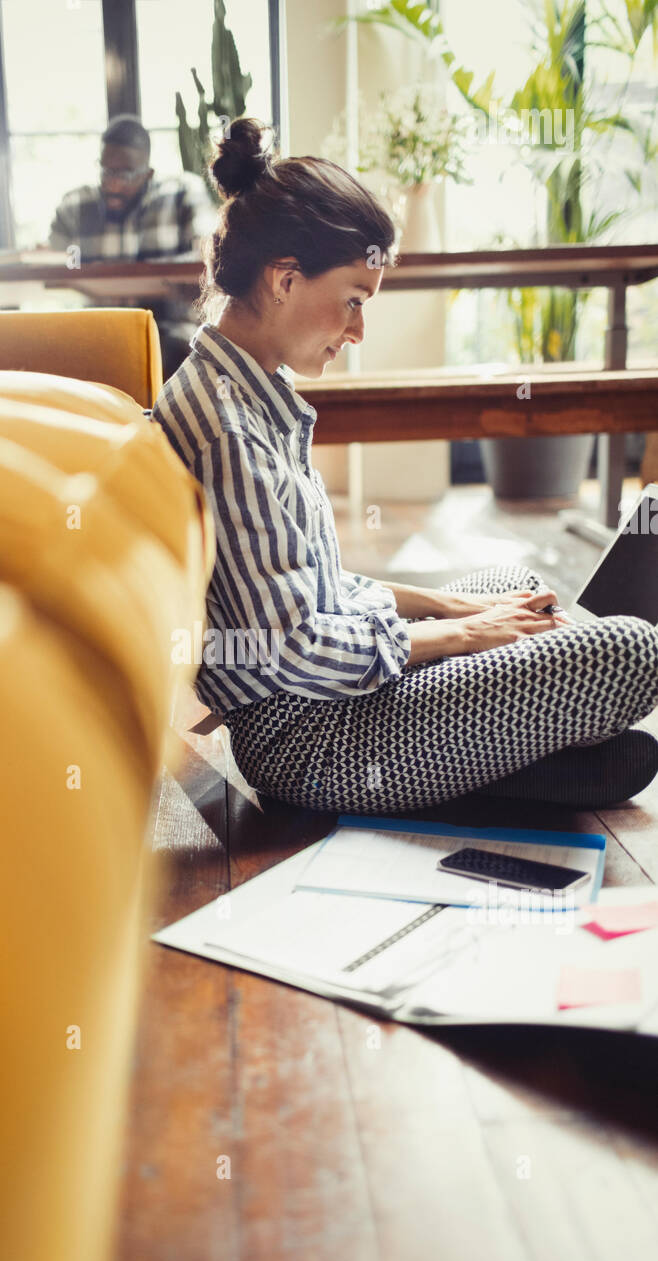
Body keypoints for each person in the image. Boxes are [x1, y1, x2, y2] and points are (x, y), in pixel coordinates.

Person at [150, 116, 658, 816]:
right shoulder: (230, 430)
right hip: (315, 742)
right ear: (285, 280)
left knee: (514, 587)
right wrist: (463, 635)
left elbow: (315, 590)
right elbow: (296, 647)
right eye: (354, 301)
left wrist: (463, 607)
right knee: (631, 651)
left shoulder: (242, 390)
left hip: (334, 705)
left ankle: (533, 757)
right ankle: (541, 748)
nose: (358, 331)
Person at [48, 114, 217, 379]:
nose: (112, 183)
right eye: (106, 171)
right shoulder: (74, 206)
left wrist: (139, 275)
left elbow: (210, 253)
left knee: (154, 354)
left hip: (171, 332)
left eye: (125, 174)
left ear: (148, 173)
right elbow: (51, 265)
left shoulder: (183, 192)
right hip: (99, 332)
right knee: (60, 357)